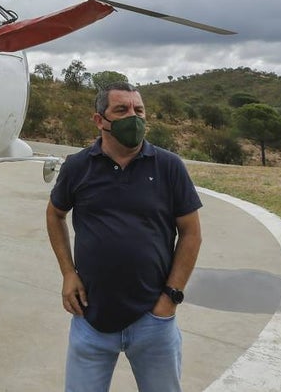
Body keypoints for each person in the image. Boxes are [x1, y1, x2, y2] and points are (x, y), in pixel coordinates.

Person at [46, 82, 202, 392]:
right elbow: (55, 214)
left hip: (153, 320)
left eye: (139, 110)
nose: (134, 116)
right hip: (91, 319)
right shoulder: (78, 166)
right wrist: (67, 273)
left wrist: (170, 297)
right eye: (122, 110)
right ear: (99, 120)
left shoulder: (169, 166)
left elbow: (191, 234)